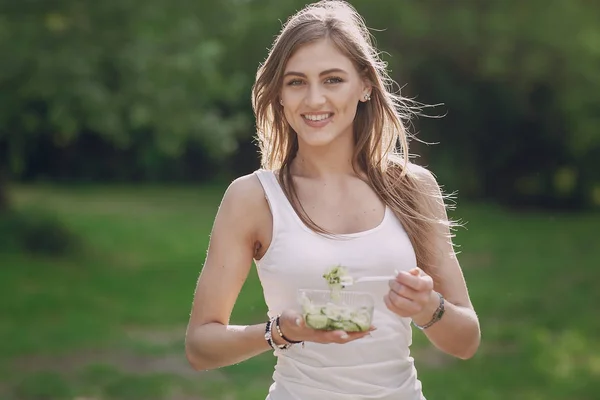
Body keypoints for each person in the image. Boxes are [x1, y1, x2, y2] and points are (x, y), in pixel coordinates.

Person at [185, 1, 481, 399]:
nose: (313, 100)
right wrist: (280, 332)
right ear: (279, 95)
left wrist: (429, 307)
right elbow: (201, 347)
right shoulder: (253, 198)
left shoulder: (412, 188)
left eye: (332, 80)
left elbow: (466, 341)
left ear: (365, 86)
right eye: (295, 82)